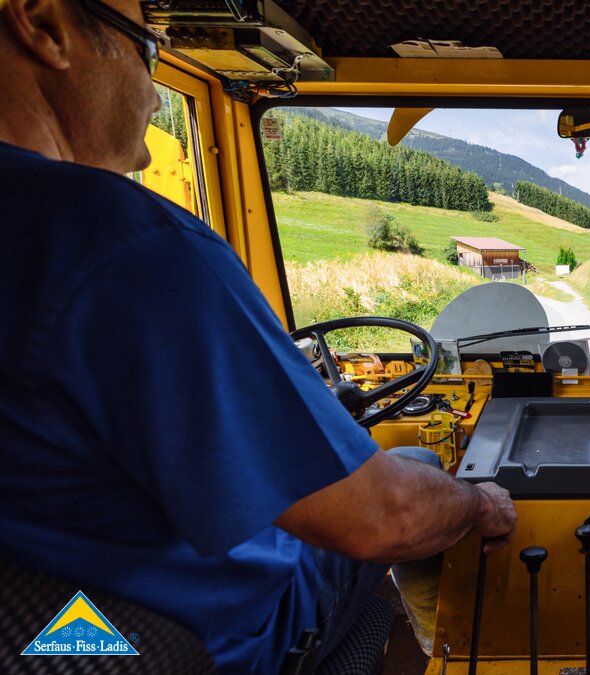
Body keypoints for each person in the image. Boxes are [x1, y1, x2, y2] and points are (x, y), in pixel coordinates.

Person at [0, 1, 516, 673]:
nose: (156, 97)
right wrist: (478, 502)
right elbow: (381, 515)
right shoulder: (118, 240)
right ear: (45, 27)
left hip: (61, 624)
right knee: (418, 479)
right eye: (146, 51)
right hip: (203, 635)